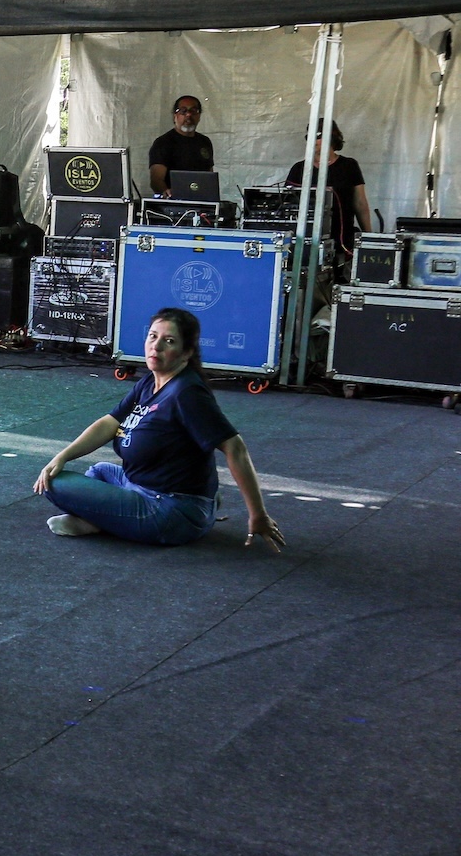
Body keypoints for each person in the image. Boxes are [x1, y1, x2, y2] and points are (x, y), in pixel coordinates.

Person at [36, 307, 284, 550]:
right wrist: (63, 456)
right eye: (153, 336)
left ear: (186, 353)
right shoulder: (151, 381)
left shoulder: (186, 393)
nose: (156, 346)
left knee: (56, 484)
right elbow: (110, 423)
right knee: (100, 470)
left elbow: (235, 447)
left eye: (169, 341)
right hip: (140, 485)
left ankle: (102, 522)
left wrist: (258, 514)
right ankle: (105, 520)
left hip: (168, 508)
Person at [285, 121, 370, 261]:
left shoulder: (349, 166)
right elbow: (286, 206)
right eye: (310, 136)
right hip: (306, 242)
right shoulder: (299, 169)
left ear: (332, 138)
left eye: (318, 136)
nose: (313, 140)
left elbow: (360, 204)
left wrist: (368, 237)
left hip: (342, 241)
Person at [148, 96, 215, 196]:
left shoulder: (205, 142)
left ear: (199, 116)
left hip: (201, 201)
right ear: (175, 115)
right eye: (183, 111)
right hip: (174, 202)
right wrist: (168, 195)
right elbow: (156, 180)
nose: (188, 115)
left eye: (193, 111)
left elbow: (209, 177)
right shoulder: (163, 143)